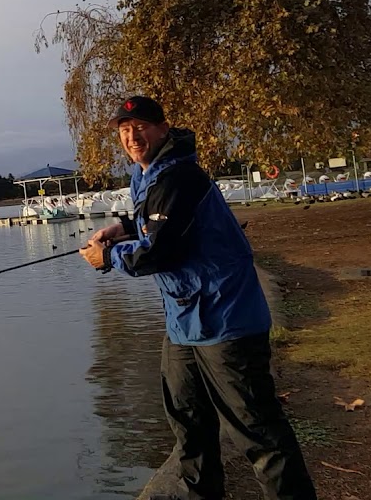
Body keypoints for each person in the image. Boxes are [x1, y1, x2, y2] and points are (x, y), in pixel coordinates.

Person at [80, 95, 317, 500]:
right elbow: (156, 224)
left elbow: (162, 250)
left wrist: (107, 257)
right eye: (124, 130)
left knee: (257, 430)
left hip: (226, 318)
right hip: (186, 320)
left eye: (140, 127)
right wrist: (122, 229)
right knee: (189, 425)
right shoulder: (152, 174)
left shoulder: (179, 177)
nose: (132, 136)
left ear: (162, 129)